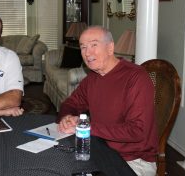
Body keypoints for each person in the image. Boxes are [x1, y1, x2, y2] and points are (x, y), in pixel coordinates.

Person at [57, 26, 158, 176]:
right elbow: (71, 104)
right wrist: (67, 117)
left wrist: (87, 127)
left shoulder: (136, 78)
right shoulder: (92, 78)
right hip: (100, 150)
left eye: (93, 45)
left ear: (110, 48)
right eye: (83, 47)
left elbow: (137, 131)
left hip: (133, 161)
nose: (87, 52)